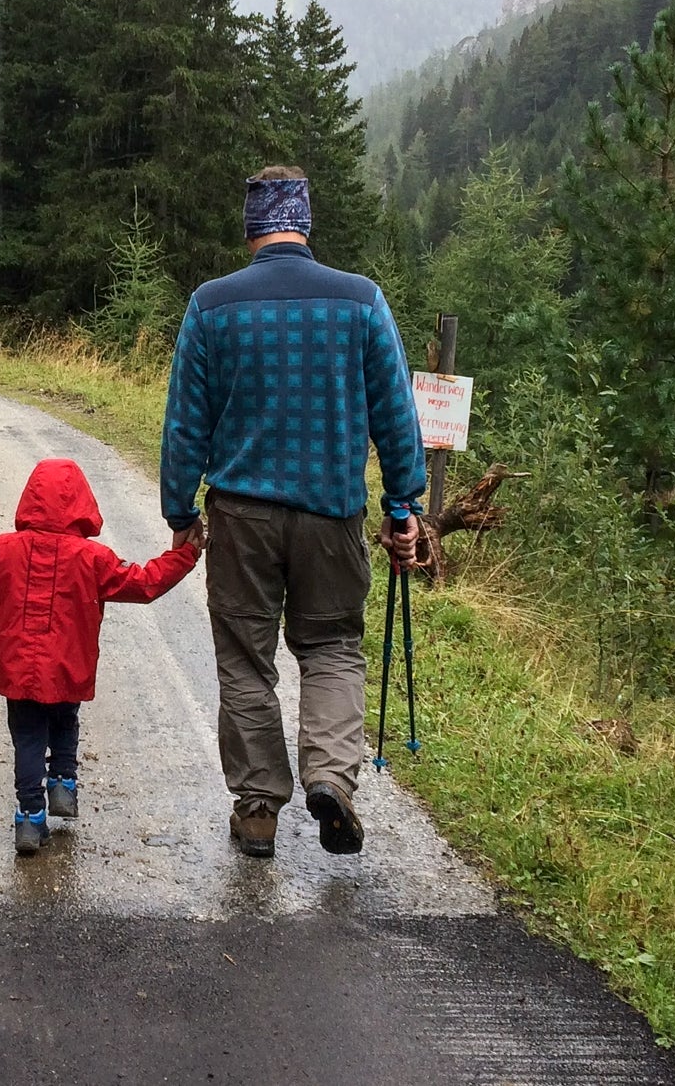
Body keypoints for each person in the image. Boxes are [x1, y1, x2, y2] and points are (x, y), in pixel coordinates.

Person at [160, 167, 425, 861]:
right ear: (304, 223)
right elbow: (397, 417)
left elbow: (185, 424)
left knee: (246, 659)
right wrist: (405, 506)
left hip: (242, 516)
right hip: (332, 513)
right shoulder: (361, 302)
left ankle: (257, 812)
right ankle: (331, 779)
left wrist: (178, 508)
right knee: (333, 646)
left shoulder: (211, 307)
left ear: (251, 227)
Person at [0, 458, 200, 857]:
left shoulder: (5, 549)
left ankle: (30, 817)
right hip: (69, 664)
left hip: (19, 668)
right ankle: (64, 782)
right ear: (83, 503)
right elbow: (144, 582)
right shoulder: (94, 558)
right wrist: (184, 556)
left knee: (28, 737)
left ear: (30, 500)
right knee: (65, 717)